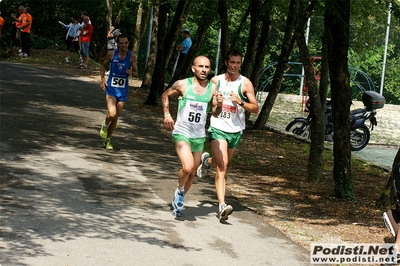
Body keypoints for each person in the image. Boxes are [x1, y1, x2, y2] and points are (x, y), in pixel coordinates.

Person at [196, 48, 259, 221]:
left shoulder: (245, 83)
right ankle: (222, 205)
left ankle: (206, 161)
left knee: (219, 162)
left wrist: (241, 102)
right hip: (218, 127)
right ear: (226, 62)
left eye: (238, 63)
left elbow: (255, 108)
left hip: (235, 130)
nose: (235, 66)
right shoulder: (216, 81)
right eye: (232, 62)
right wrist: (217, 104)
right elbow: (211, 107)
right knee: (222, 168)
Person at [161, 55, 223, 217]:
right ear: (193, 68)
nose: (204, 70)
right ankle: (180, 191)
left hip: (198, 136)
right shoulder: (182, 84)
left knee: (193, 172)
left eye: (207, 67)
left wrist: (220, 104)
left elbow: (215, 113)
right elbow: (165, 95)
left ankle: (179, 198)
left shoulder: (212, 89)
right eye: (201, 66)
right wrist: (167, 114)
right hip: (182, 132)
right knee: (187, 167)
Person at [99, 33, 138, 150]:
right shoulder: (111, 54)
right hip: (111, 88)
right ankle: (105, 124)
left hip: (123, 91)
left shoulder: (132, 56)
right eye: (121, 43)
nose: (124, 45)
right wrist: (102, 80)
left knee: (116, 117)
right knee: (112, 113)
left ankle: (107, 140)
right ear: (118, 44)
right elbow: (103, 67)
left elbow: (136, 74)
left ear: (128, 43)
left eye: (126, 43)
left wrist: (132, 73)